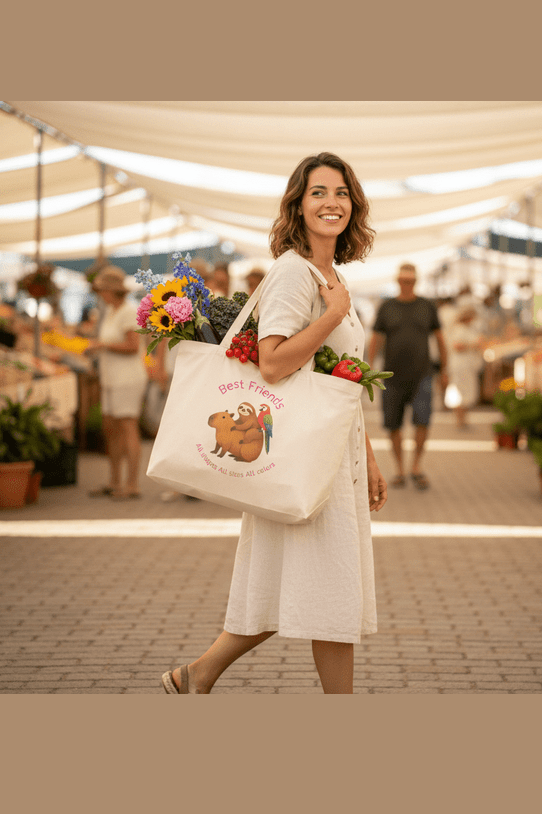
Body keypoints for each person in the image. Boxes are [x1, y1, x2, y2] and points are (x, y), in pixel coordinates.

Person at [161, 152, 387, 695]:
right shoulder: (293, 272)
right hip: (302, 453)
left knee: (312, 586)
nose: (331, 202)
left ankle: (199, 674)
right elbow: (274, 360)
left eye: (341, 192)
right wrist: (333, 316)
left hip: (331, 453)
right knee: (328, 588)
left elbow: (341, 379)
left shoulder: (328, 273)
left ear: (353, 205)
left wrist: (370, 456)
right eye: (318, 193)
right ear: (298, 204)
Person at [367, 264, 448, 490]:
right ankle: (400, 469)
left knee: (423, 421)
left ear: (416, 282)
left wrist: (444, 370)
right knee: (393, 424)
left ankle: (416, 467)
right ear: (397, 281)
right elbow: (376, 339)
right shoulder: (387, 307)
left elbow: (440, 339)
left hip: (422, 374)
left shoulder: (427, 306)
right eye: (403, 281)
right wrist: (370, 369)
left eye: (410, 281)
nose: (407, 285)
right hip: (392, 377)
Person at [85, 265, 148, 500]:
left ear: (111, 290)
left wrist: (102, 346)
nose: (100, 293)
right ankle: (114, 481)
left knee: (128, 427)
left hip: (128, 379)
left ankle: (132, 484)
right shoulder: (111, 311)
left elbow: (133, 347)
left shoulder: (128, 311)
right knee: (110, 429)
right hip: (111, 379)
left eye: (102, 289)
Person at [446, 305, 484, 429]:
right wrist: (473, 345)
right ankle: (460, 419)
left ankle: (463, 419)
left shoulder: (469, 329)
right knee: (460, 392)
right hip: (461, 366)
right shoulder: (459, 329)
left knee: (467, 392)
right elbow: (457, 346)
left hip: (468, 365)